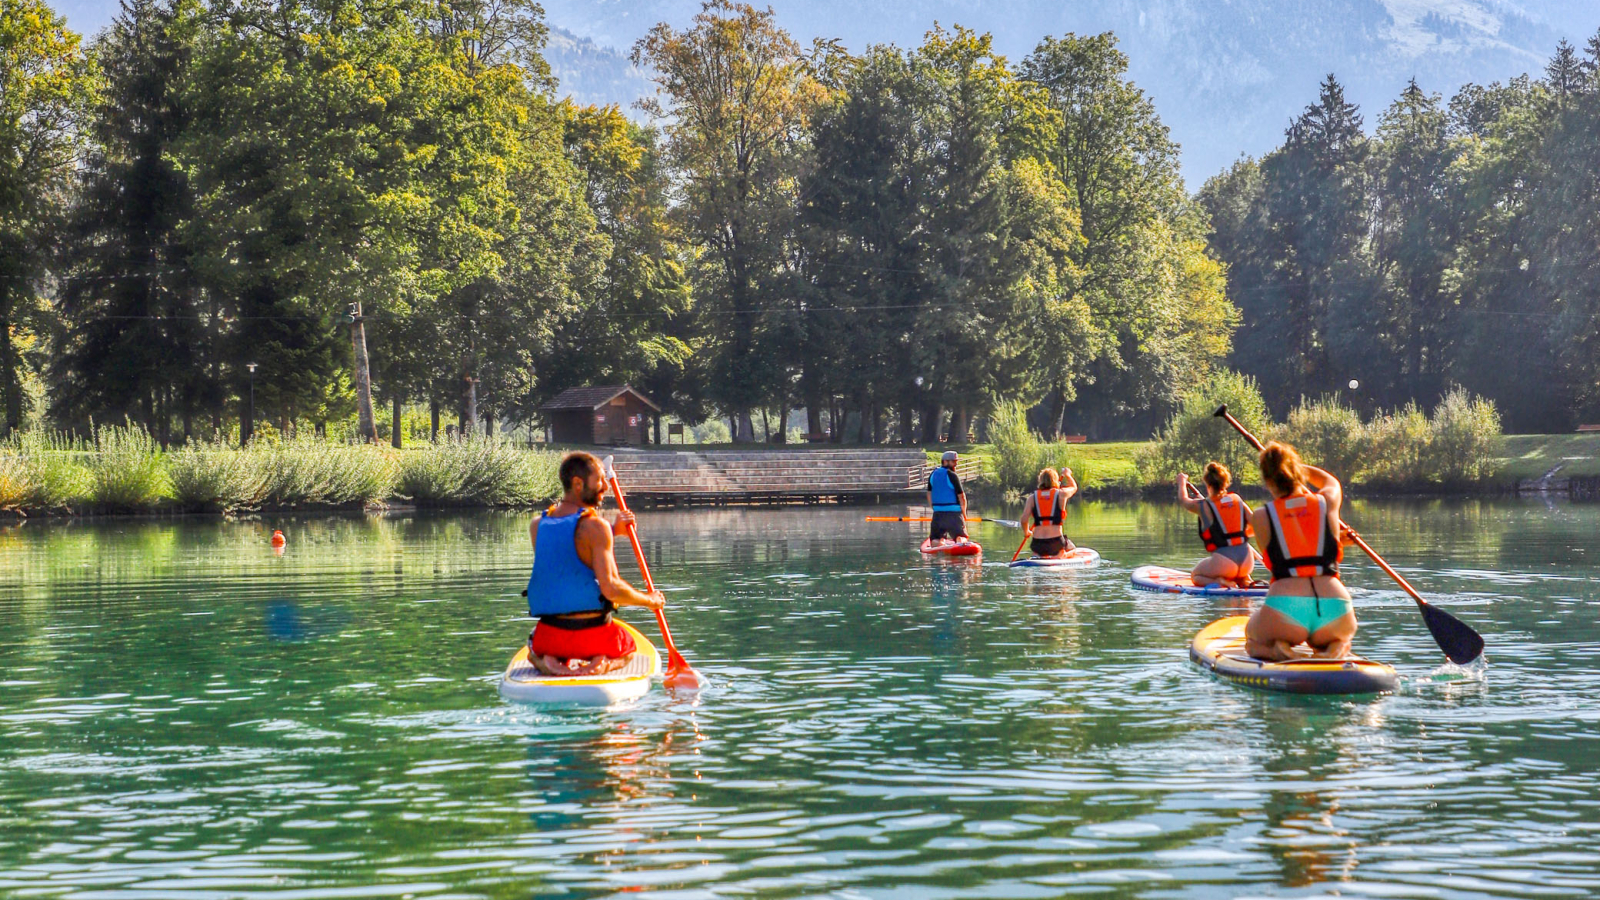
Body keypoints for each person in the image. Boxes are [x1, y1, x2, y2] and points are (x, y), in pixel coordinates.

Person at [525, 451, 664, 676]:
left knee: (533, 645)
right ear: (578, 484)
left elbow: (565, 557)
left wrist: (613, 531)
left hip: (550, 637)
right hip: (594, 637)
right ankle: (603, 662)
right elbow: (611, 589)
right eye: (599, 480)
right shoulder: (596, 527)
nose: (605, 487)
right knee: (629, 648)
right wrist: (649, 600)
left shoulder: (537, 525)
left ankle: (545, 660)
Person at [1245, 441, 1357, 661]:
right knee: (1341, 637)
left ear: (1268, 481)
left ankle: (1277, 650)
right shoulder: (1328, 501)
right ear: (1297, 473)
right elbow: (1329, 481)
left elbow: (1278, 559)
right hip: (1336, 609)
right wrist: (1297, 468)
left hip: (1285, 610)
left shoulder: (1260, 516)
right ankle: (1336, 646)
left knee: (1251, 638)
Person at [1178, 462, 1255, 587]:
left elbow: (1183, 500)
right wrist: (1236, 536)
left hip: (1224, 563)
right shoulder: (1237, 499)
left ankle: (1221, 582)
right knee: (1240, 576)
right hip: (1247, 561)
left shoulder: (1203, 506)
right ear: (1225, 482)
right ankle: (1244, 580)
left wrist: (1182, 481)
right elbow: (1256, 527)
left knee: (1196, 576)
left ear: (1207, 483)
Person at [1019, 467, 1078, 558]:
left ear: (1040, 481)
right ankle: (1062, 555)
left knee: (1039, 554)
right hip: (1056, 541)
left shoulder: (1032, 498)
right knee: (1073, 550)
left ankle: (1039, 556)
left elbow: (1024, 519)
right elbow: (1073, 487)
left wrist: (1026, 532)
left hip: (1037, 542)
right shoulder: (1061, 494)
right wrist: (1068, 475)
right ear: (1056, 480)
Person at [926, 450, 970, 545]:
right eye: (953, 462)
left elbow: (929, 494)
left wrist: (934, 509)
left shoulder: (932, 475)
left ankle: (940, 545)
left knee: (935, 539)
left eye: (956, 462)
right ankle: (960, 544)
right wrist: (964, 514)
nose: (956, 464)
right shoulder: (952, 475)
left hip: (938, 514)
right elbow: (962, 497)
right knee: (961, 536)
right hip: (954, 514)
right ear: (945, 461)